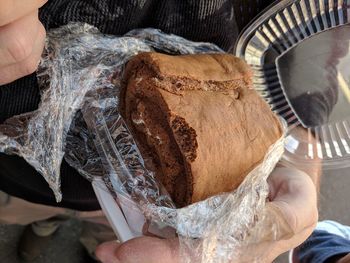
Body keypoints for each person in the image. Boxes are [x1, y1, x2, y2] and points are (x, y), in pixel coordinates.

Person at [0, 0, 320, 262]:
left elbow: (308, 96)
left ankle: (77, 229)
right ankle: (45, 223)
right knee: (34, 208)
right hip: (21, 167)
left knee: (109, 237)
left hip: (143, 214)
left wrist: (290, 165)